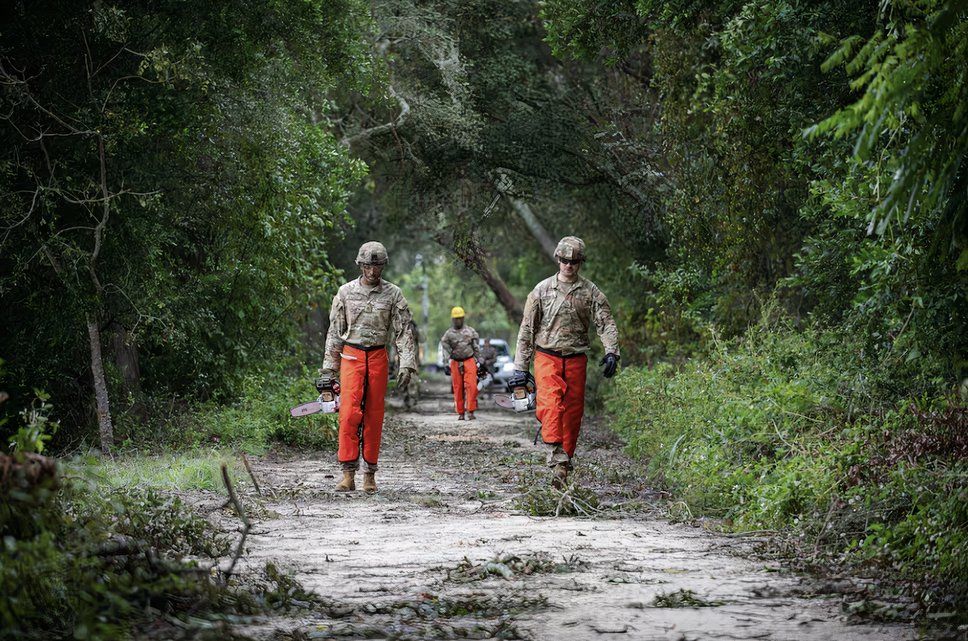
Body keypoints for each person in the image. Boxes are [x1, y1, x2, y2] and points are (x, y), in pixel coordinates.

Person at [511, 236, 620, 488]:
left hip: (576, 358)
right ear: (558, 260)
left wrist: (612, 351)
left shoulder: (590, 292)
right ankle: (556, 457)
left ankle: (564, 463)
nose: (568, 266)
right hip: (546, 356)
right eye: (564, 261)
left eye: (574, 262)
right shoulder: (540, 291)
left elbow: (605, 322)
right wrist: (520, 368)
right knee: (550, 407)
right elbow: (527, 329)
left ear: (580, 263)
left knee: (572, 415)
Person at [320, 241, 417, 493]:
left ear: (383, 266)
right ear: (360, 266)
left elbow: (403, 330)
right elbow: (334, 332)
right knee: (349, 415)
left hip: (377, 356)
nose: (373, 272)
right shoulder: (345, 292)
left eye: (378, 267)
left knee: (374, 416)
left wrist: (407, 363)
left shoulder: (393, 294)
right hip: (351, 356)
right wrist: (328, 370)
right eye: (368, 266)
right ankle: (347, 474)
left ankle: (370, 475)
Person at [440, 306, 481, 420]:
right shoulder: (448, 334)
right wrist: (445, 364)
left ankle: (471, 411)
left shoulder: (471, 331)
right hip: (455, 362)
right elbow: (445, 349)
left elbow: (476, 347)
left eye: (460, 318)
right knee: (458, 388)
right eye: (456, 318)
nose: (458, 320)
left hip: (469, 360)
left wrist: (480, 361)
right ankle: (461, 412)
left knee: (472, 386)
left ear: (463, 318)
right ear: (452, 319)